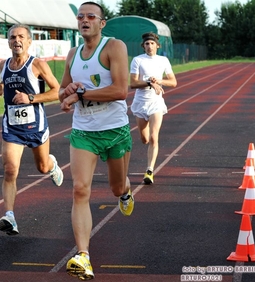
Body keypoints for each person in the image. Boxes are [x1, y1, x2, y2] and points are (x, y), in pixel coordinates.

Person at [59, 2, 133, 280]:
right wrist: (66, 93)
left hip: (114, 130)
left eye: (91, 16)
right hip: (84, 132)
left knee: (116, 188)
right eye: (80, 16)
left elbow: (121, 90)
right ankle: (83, 256)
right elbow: (62, 91)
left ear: (102, 23)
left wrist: (79, 96)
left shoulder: (114, 47)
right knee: (80, 189)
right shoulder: (72, 54)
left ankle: (126, 190)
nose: (84, 20)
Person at [0, 24, 64, 236]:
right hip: (12, 127)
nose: (16, 40)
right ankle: (10, 216)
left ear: (28, 41)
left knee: (42, 167)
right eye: (12, 37)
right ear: (8, 42)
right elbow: (4, 85)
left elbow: (58, 92)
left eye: (21, 37)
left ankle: (52, 165)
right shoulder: (4, 64)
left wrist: (31, 98)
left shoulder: (37, 65)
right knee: (9, 170)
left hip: (36, 126)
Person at [129, 32, 177, 185]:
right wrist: (149, 82)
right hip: (140, 103)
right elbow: (133, 83)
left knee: (154, 137)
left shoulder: (163, 60)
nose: (149, 46)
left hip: (156, 103)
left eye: (152, 43)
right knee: (145, 139)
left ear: (157, 45)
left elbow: (173, 82)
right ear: (143, 46)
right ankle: (146, 130)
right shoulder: (137, 60)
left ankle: (149, 170)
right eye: (147, 44)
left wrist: (159, 80)